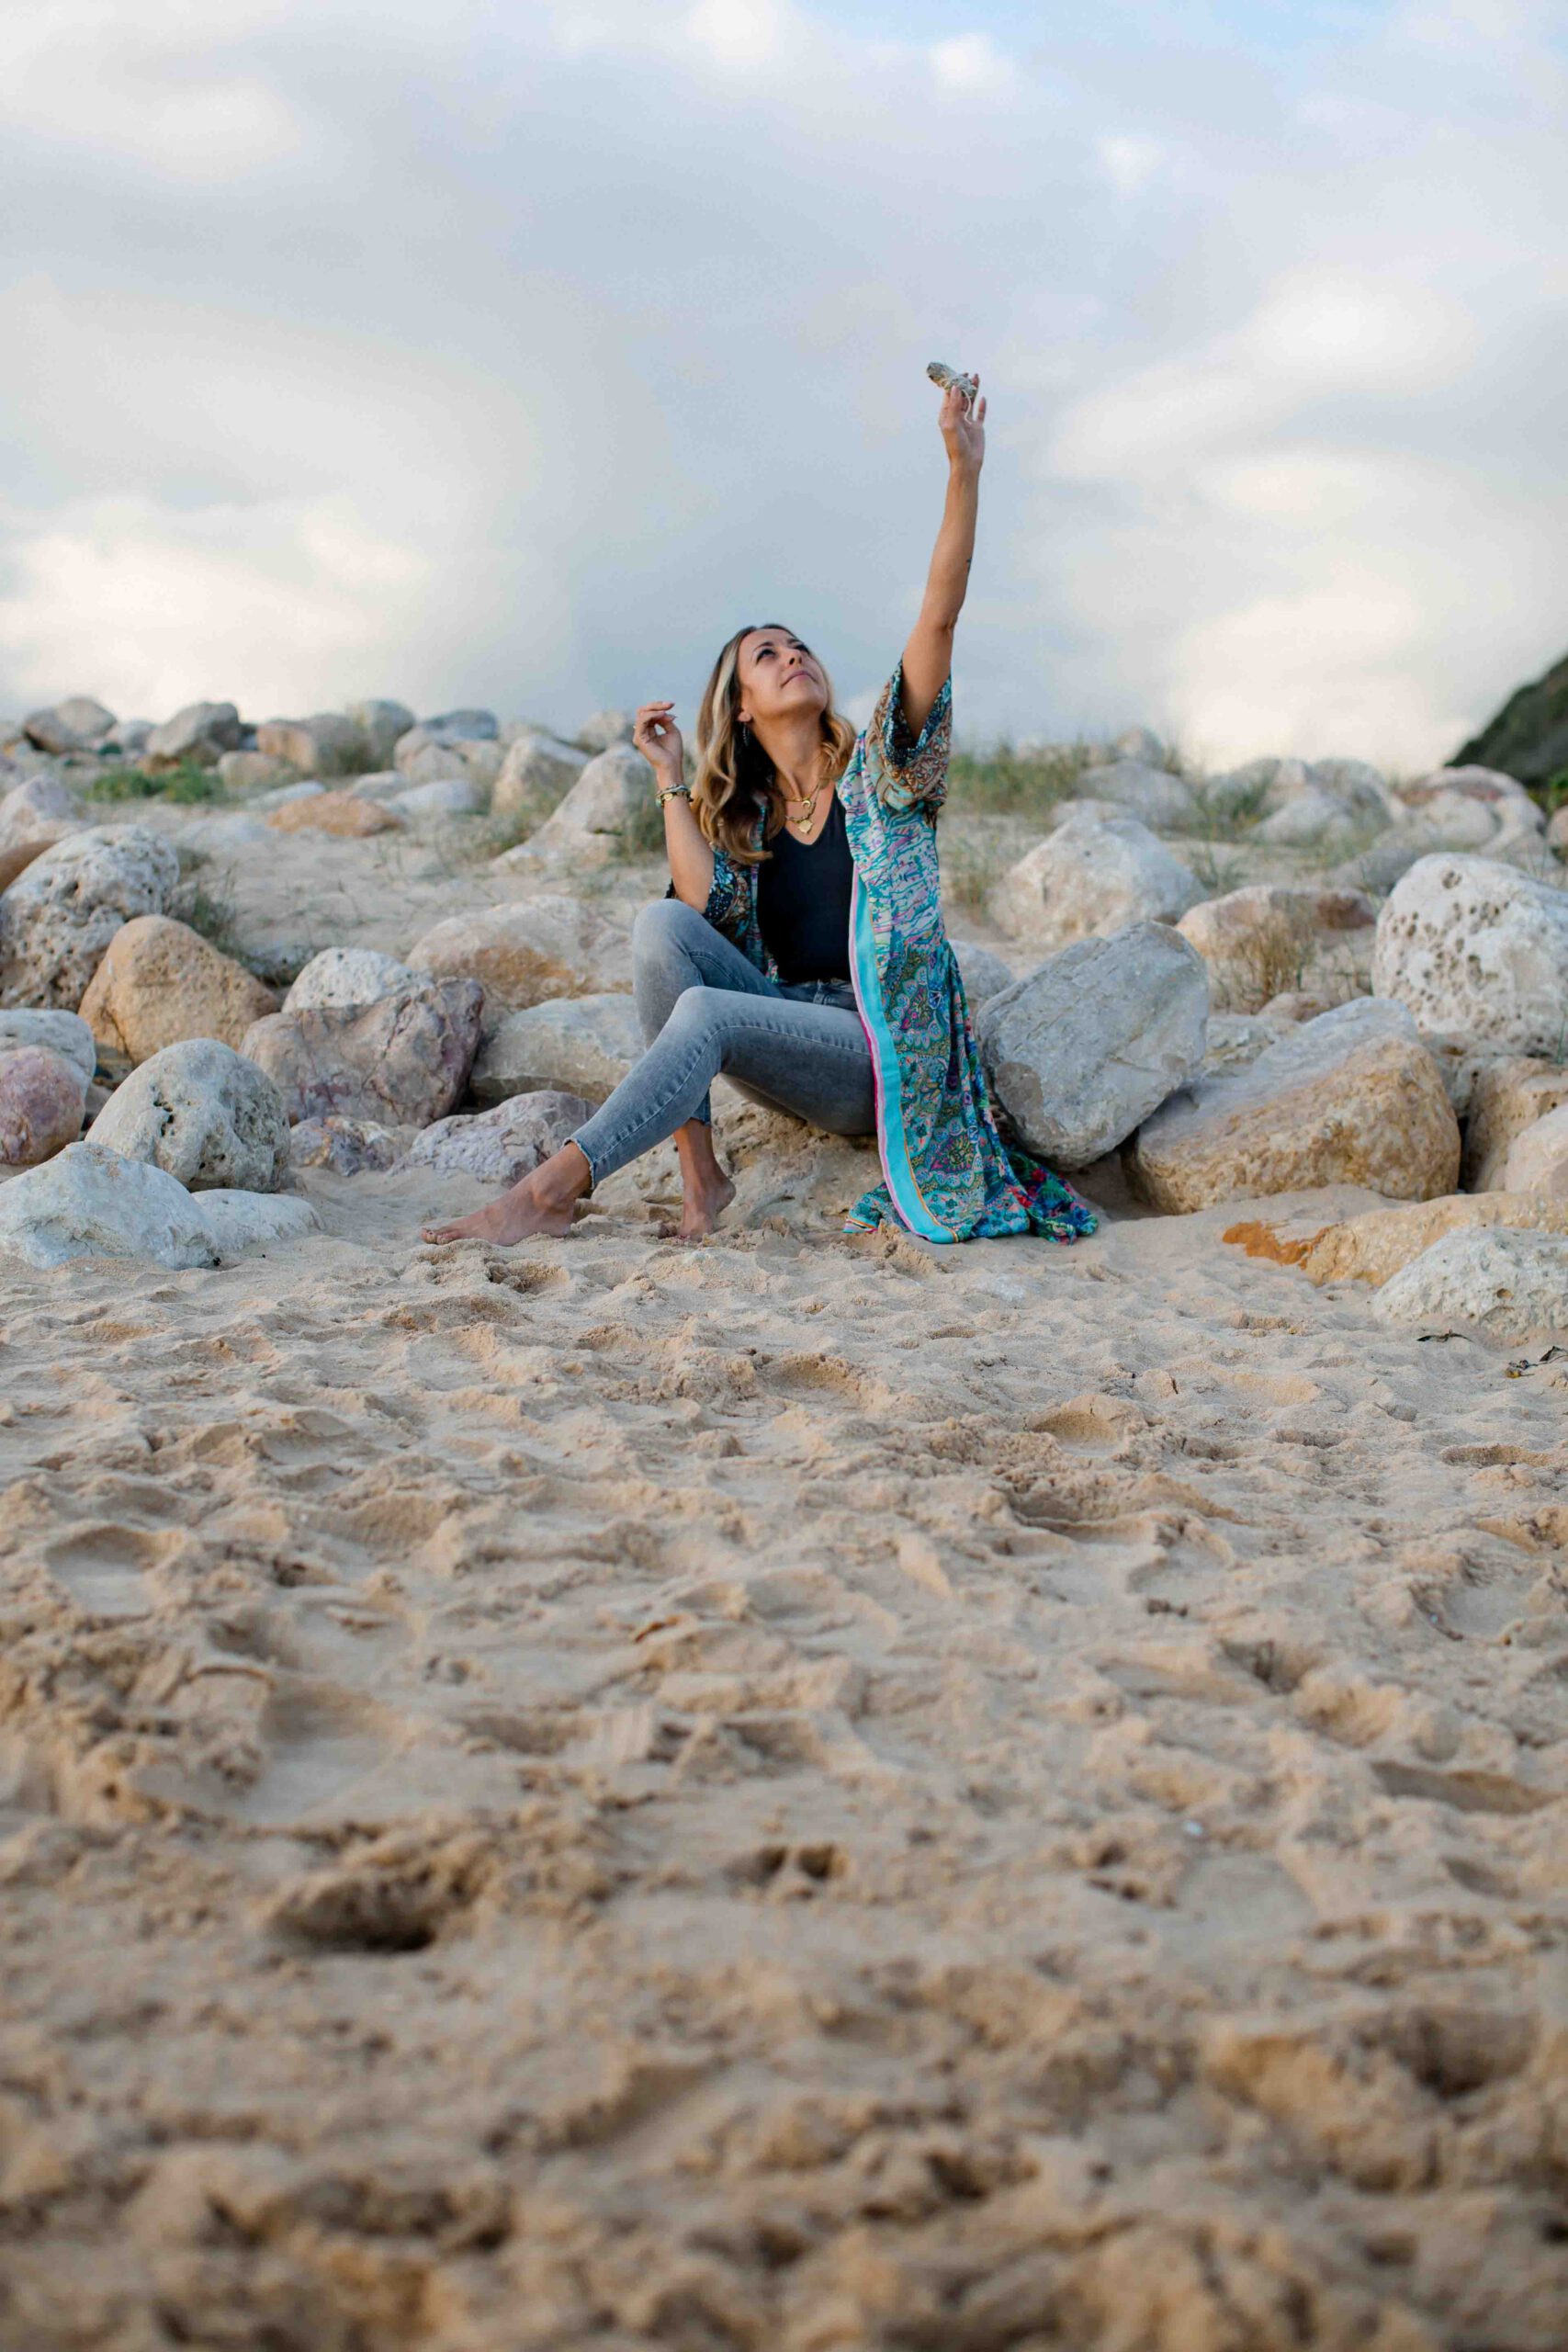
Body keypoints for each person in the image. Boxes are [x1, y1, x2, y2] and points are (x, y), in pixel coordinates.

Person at [423, 369, 1095, 1250]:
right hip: (792, 1036)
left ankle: (551, 1188)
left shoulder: (887, 778)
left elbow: (937, 620)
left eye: (799, 647)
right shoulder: (750, 821)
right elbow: (693, 929)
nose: (792, 659)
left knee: (707, 1016)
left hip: (880, 1055)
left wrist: (961, 471)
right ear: (741, 706)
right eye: (765, 656)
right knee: (657, 932)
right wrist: (672, 774)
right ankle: (701, 1179)